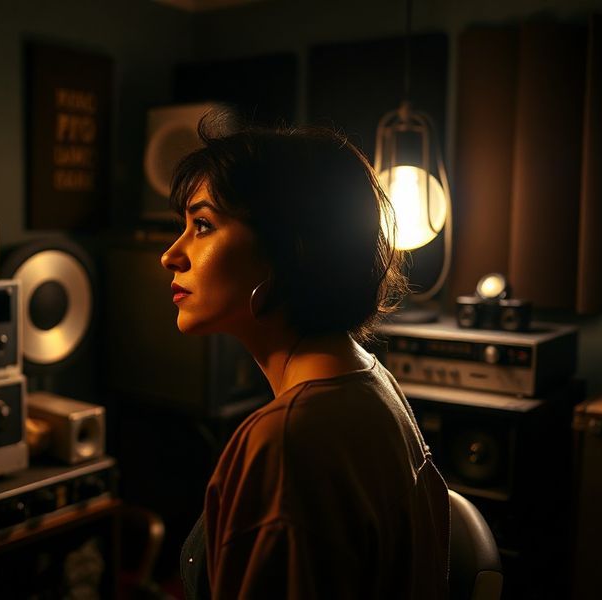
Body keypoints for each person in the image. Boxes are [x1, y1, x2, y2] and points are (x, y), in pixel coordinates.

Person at [160, 113, 450, 599]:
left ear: (287, 249)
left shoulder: (287, 441)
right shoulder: (366, 379)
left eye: (203, 225)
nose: (171, 254)